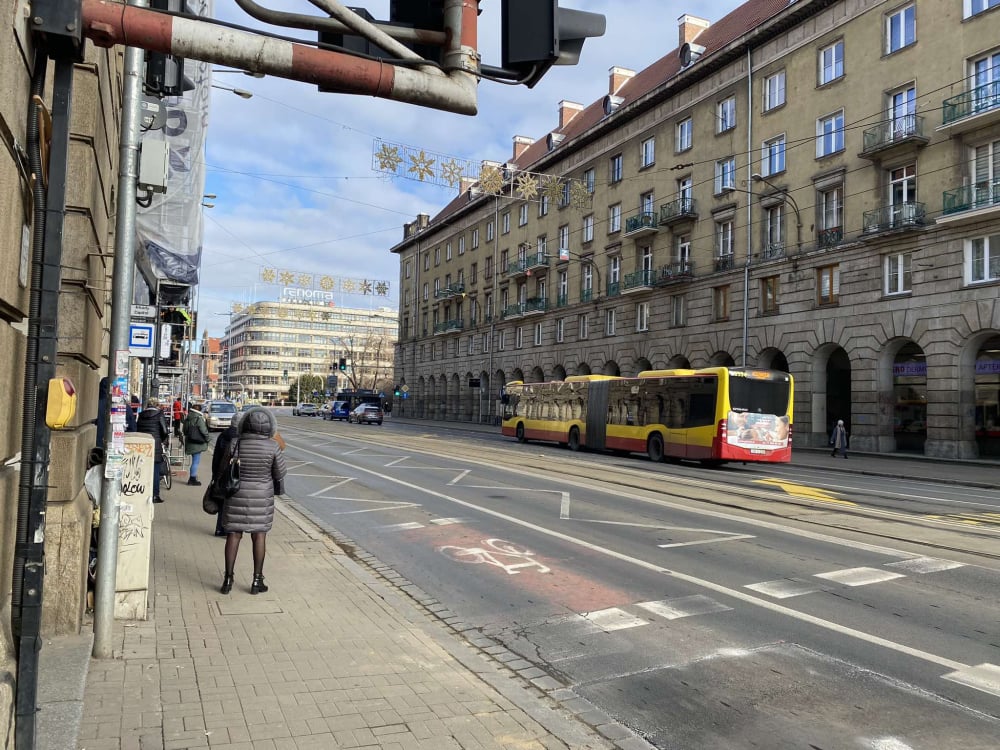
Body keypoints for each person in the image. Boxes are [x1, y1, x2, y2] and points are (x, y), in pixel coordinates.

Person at [218, 408, 286, 595]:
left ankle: (228, 579)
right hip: (262, 497)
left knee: (233, 534)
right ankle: (257, 580)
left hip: (236, 494)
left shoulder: (235, 443)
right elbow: (280, 473)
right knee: (259, 535)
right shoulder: (272, 446)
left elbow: (223, 469)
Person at [136, 397, 169, 502]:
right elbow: (164, 431)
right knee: (155, 471)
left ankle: (142, 492)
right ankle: (155, 495)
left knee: (143, 470)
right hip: (155, 446)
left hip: (143, 446)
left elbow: (137, 429)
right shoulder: (159, 415)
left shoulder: (141, 415)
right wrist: (162, 440)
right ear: (156, 405)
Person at [182, 402, 210, 485]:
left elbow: (184, 430)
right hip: (197, 442)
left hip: (189, 441)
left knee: (194, 461)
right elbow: (204, 431)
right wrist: (208, 439)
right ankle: (192, 478)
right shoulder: (198, 418)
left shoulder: (187, 418)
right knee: (196, 461)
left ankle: (192, 477)